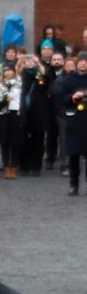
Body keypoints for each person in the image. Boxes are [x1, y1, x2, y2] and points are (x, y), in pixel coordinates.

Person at [53, 50, 87, 195]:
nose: (83, 63)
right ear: (76, 62)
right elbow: (61, 100)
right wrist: (73, 97)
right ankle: (73, 184)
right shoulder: (68, 80)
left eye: (86, 61)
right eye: (81, 60)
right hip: (73, 120)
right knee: (73, 154)